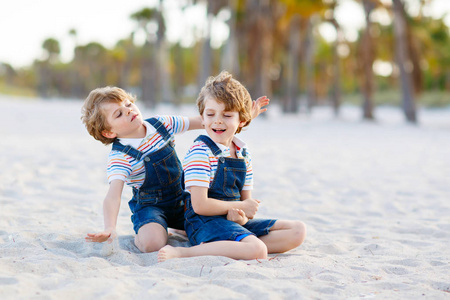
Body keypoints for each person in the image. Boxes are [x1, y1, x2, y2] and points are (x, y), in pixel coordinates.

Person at [81, 86, 269, 253]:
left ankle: (180, 227)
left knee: (211, 221)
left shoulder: (160, 124)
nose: (129, 111)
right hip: (150, 206)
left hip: (182, 199)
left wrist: (240, 118)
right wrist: (110, 227)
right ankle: (145, 234)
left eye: (128, 104)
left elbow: (204, 121)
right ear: (109, 132)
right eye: (119, 114)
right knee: (153, 244)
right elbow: (113, 195)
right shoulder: (120, 156)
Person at [158, 71, 306, 261]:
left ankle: (227, 246)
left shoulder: (243, 153)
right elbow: (200, 205)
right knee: (257, 250)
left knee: (297, 230)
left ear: (242, 121)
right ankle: (183, 252)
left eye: (227, 115)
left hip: (230, 222)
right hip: (204, 222)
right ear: (202, 118)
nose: (218, 120)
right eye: (210, 114)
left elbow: (247, 207)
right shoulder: (201, 152)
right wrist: (241, 206)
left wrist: (241, 218)